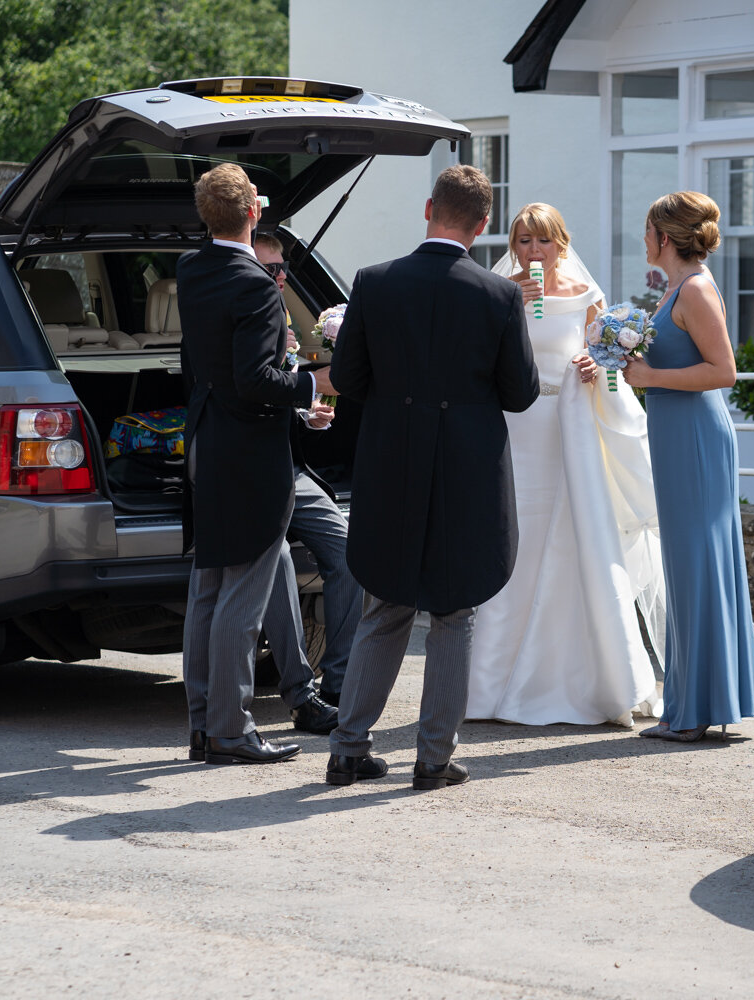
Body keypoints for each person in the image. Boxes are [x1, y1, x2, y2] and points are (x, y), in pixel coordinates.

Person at [323, 165, 540, 788]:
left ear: (428, 209)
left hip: (391, 460)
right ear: (484, 224)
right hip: (467, 470)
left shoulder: (374, 281)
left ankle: (348, 748)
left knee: (385, 604)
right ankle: (433, 758)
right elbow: (521, 393)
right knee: (454, 611)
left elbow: (351, 379)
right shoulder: (500, 296)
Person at [465, 204, 660, 726]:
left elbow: (611, 363)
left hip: (568, 429)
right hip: (516, 429)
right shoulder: (499, 289)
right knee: (515, 540)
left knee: (574, 540)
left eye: (543, 241)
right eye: (524, 240)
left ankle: (588, 680)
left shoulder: (586, 297)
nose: (532, 251)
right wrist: (510, 308)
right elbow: (477, 364)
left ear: (561, 243)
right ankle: (489, 687)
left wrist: (599, 367)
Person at [177, 163, 336, 766]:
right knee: (242, 597)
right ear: (254, 213)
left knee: (209, 590)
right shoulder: (254, 283)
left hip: (207, 442)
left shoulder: (192, 270)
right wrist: (309, 383)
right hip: (250, 454)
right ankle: (229, 729)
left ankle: (203, 724)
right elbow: (256, 381)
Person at [622, 192, 754, 742]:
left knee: (698, 564)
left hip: (697, 438)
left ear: (664, 237)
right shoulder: (677, 288)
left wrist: (649, 378)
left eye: (647, 230)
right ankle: (699, 702)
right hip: (677, 435)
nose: (644, 239)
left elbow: (724, 370)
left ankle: (696, 709)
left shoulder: (697, 288)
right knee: (691, 566)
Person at [252, 230, 362, 708]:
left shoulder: (284, 322)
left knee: (347, 551)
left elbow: (284, 406)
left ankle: (339, 682)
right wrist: (301, 384)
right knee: (273, 559)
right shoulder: (236, 320)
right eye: (268, 270)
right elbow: (247, 391)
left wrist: (309, 415)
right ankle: (300, 690)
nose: (278, 279)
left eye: (282, 270)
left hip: (291, 469)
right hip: (250, 473)